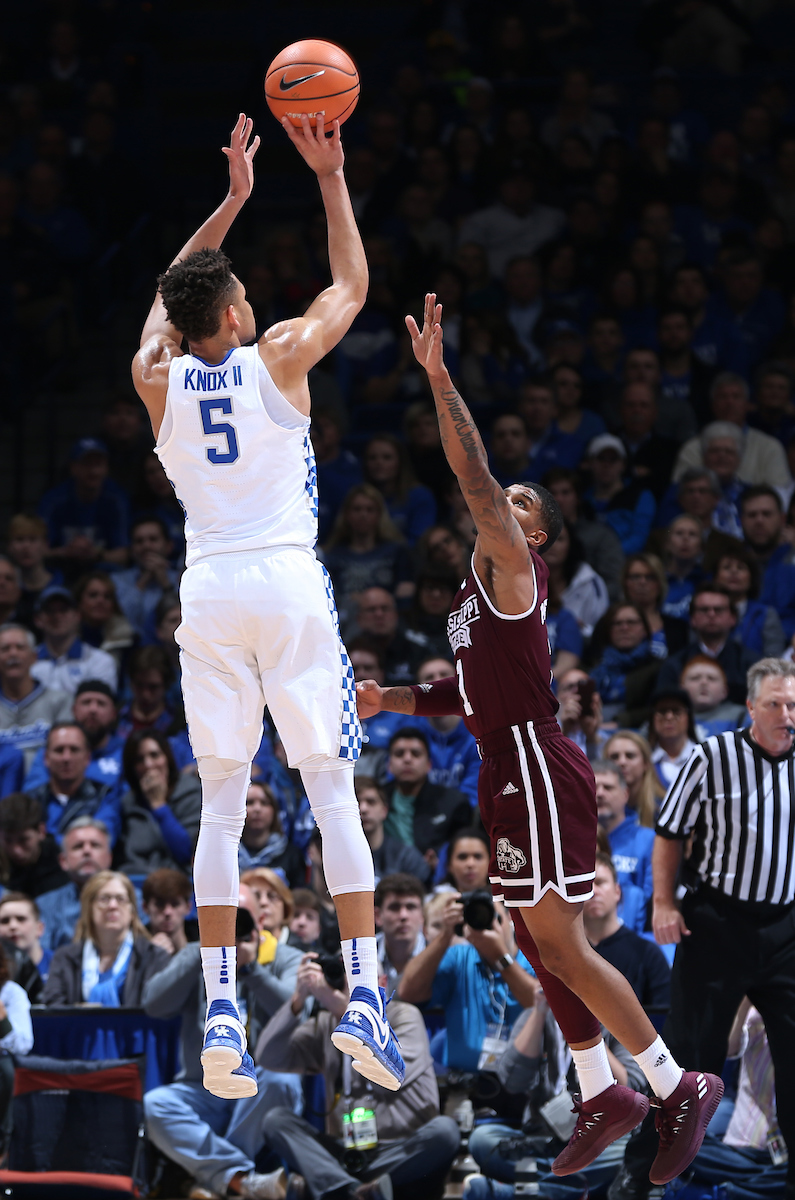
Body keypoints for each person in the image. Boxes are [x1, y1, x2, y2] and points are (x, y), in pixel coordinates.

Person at [360, 292, 722, 1183]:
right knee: (533, 939)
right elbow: (468, 695)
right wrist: (392, 698)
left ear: (535, 534)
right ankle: (601, 1088)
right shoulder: (471, 600)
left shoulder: (514, 568)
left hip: (531, 760)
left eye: (519, 503)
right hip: (504, 756)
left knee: (559, 941)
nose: (499, 504)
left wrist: (440, 378)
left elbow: (475, 478)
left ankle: (673, 1082)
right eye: (503, 500)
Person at [132, 112, 403, 1098]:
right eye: (241, 290)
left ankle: (218, 1010)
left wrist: (230, 204)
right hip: (286, 584)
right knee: (330, 792)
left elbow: (170, 296)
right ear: (238, 316)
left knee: (216, 814)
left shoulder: (153, 377)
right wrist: (325, 178)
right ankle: (368, 997)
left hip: (206, 594)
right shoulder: (279, 353)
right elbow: (354, 286)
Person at [612, 658, 795, 1200]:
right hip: (717, 923)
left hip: (786, 926)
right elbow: (669, 832)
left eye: (794, 705)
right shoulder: (712, 757)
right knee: (691, 1061)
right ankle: (640, 1173)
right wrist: (664, 901)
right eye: (776, 705)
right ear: (752, 708)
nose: (788, 715)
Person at [143, 883, 303, 1200]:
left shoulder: (285, 957)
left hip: (259, 1087)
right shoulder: (195, 952)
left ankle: (220, 1182)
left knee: (283, 1080)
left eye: (238, 918)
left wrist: (252, 969)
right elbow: (154, 1004)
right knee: (156, 1105)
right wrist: (203, 950)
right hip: (203, 1089)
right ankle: (244, 1182)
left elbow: (298, 1010)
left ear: (259, 919)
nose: (231, 926)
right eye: (222, 917)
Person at [257, 954, 459, 1200]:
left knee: (445, 1132)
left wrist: (345, 1011)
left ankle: (338, 1187)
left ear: (382, 982)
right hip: (347, 1153)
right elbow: (268, 1056)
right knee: (276, 1121)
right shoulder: (326, 1023)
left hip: (401, 1152)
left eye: (360, 978)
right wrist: (298, 999)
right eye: (346, 977)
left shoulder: (404, 1015)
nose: (350, 986)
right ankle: (357, 1192)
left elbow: (392, 1074)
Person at [42, 869, 170, 1006]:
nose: (113, 906)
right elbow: (53, 1006)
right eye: (104, 899)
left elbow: (161, 1008)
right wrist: (80, 1013)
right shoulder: (65, 958)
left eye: (121, 899)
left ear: (132, 911)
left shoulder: (154, 957)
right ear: (89, 908)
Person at [583, 854, 670, 1010]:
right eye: (586, 885)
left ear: (617, 891)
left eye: (600, 883)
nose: (593, 891)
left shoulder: (648, 955)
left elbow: (661, 1017)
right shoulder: (568, 953)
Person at [383, 727, 471, 874]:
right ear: (389, 765)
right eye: (399, 754)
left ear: (429, 765)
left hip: (434, 880)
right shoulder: (376, 799)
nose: (407, 759)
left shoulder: (453, 802)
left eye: (415, 754)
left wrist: (442, 862)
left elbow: (463, 847)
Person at [656, 583, 760, 705]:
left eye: (718, 610)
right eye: (704, 610)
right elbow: (663, 706)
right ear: (692, 619)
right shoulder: (674, 665)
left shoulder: (751, 665)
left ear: (733, 618)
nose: (711, 614)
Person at [116, 729, 202, 875]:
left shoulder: (191, 791)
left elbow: (186, 853)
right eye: (139, 760)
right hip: (137, 880)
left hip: (180, 879)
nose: (148, 764)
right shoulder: (128, 802)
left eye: (154, 755)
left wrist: (158, 805)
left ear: (167, 757)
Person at [23, 679, 127, 799]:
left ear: (113, 714)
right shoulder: (52, 751)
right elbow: (33, 797)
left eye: (101, 703)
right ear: (74, 710)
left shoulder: (126, 753)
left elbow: (127, 800)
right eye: (86, 702)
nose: (93, 709)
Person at [26, 721, 121, 844]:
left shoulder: (105, 796)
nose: (66, 758)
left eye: (74, 750)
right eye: (59, 750)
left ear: (87, 758)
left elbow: (100, 841)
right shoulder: (31, 800)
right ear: (46, 758)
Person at [0, 623, 72, 772]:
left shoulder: (60, 701)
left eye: (20, 647)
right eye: (5, 649)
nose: (13, 654)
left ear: (34, 657)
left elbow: (67, 754)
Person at [36, 816, 113, 950]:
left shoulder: (133, 899)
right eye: (78, 846)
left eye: (95, 845)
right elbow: (41, 955)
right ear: (63, 861)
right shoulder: (44, 905)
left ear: (109, 857)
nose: (87, 851)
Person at [32, 584, 118, 695]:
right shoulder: (27, 662)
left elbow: (98, 708)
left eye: (64, 610)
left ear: (78, 615)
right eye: (50, 610)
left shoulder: (100, 661)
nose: (57, 616)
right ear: (38, 619)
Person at [593, 761, 654, 905]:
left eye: (608, 788)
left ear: (625, 794)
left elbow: (650, 901)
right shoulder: (571, 840)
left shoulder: (648, 840)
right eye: (594, 787)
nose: (600, 793)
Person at [355, 775, 431, 887]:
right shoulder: (334, 856)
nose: (363, 809)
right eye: (356, 803)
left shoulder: (406, 857)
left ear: (384, 811)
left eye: (371, 802)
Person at [588, 603, 658, 723]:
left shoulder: (658, 667)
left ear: (645, 629)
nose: (624, 628)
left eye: (631, 622)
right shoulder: (594, 667)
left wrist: (621, 722)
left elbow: (659, 708)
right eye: (617, 623)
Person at [111, 517, 180, 638]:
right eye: (139, 541)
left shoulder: (182, 580)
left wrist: (165, 584)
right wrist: (144, 578)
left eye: (153, 539)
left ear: (169, 546)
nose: (146, 545)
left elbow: (183, 618)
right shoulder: (117, 581)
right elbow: (121, 619)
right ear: (131, 549)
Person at [713, 543, 786, 657]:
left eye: (741, 567)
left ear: (751, 577)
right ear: (715, 577)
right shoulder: (705, 610)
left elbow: (774, 662)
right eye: (727, 567)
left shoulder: (765, 614)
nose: (734, 572)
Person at [238, 780, 306, 889]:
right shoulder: (228, 854)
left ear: (274, 810)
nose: (257, 809)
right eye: (249, 802)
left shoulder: (291, 855)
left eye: (264, 803)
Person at [0, 793, 68, 898]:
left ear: (41, 831)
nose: (16, 850)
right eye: (8, 840)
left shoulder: (63, 866)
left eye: (23, 840)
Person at [0, 941, 33, 1152]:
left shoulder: (11, 993)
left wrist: (2, 1021)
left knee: (5, 1068)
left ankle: (4, 1146)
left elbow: (23, 1044)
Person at [374, 872, 426, 994]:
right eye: (394, 907)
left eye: (411, 907)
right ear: (378, 916)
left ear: (422, 916)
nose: (403, 915)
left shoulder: (439, 957)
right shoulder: (361, 955)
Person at [603, 731, 665, 829]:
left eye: (630, 755)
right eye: (614, 757)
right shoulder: (599, 806)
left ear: (646, 764)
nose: (622, 762)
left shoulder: (662, 807)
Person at [680, 656, 746, 739]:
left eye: (712, 678)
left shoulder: (742, 716)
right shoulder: (669, 716)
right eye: (695, 678)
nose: (704, 682)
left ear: (724, 691)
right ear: (681, 689)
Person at [647, 688, 699, 791]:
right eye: (662, 711)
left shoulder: (704, 757)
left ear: (688, 716)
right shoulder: (643, 760)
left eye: (676, 710)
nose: (669, 717)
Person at [0, 891, 53, 988]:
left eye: (21, 919)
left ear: (39, 928)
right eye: (5, 921)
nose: (13, 926)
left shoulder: (58, 964)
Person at [556, 667, 610, 762]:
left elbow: (604, 771)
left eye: (582, 687)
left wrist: (591, 737)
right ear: (557, 697)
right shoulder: (547, 734)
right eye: (569, 687)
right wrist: (564, 732)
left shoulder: (606, 740)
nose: (576, 691)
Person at [142, 867, 194, 957]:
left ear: (188, 907)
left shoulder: (204, 943)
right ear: (145, 907)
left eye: (175, 904)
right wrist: (148, 958)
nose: (167, 912)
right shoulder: (134, 948)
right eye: (160, 904)